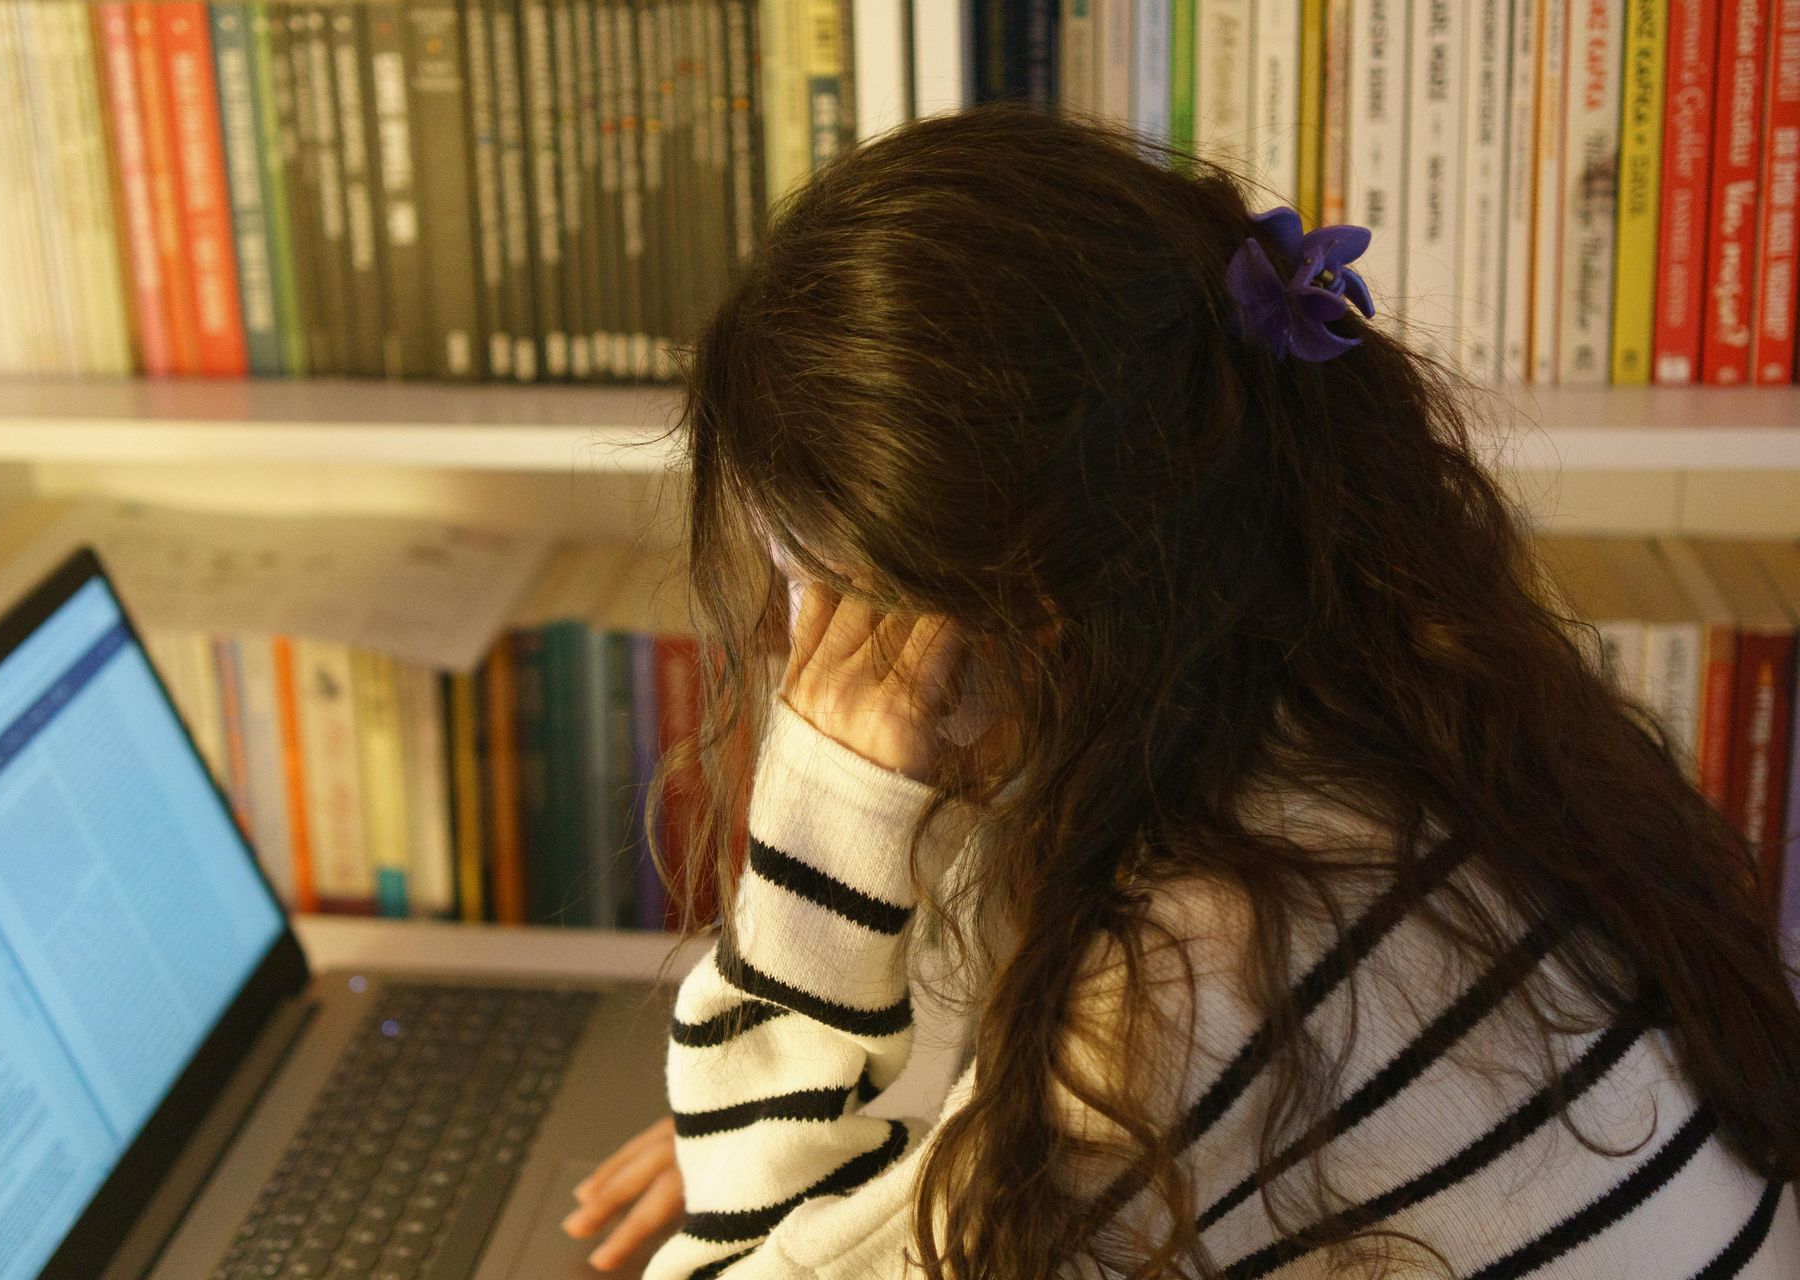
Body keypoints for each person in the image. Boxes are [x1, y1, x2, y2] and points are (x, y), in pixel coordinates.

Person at [559, 103, 1800, 1279]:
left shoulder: (1190, 983)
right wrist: (865, 1185)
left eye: (811, 587)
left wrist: (825, 825)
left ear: (985, 621)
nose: (803, 657)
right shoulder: (1413, 727)